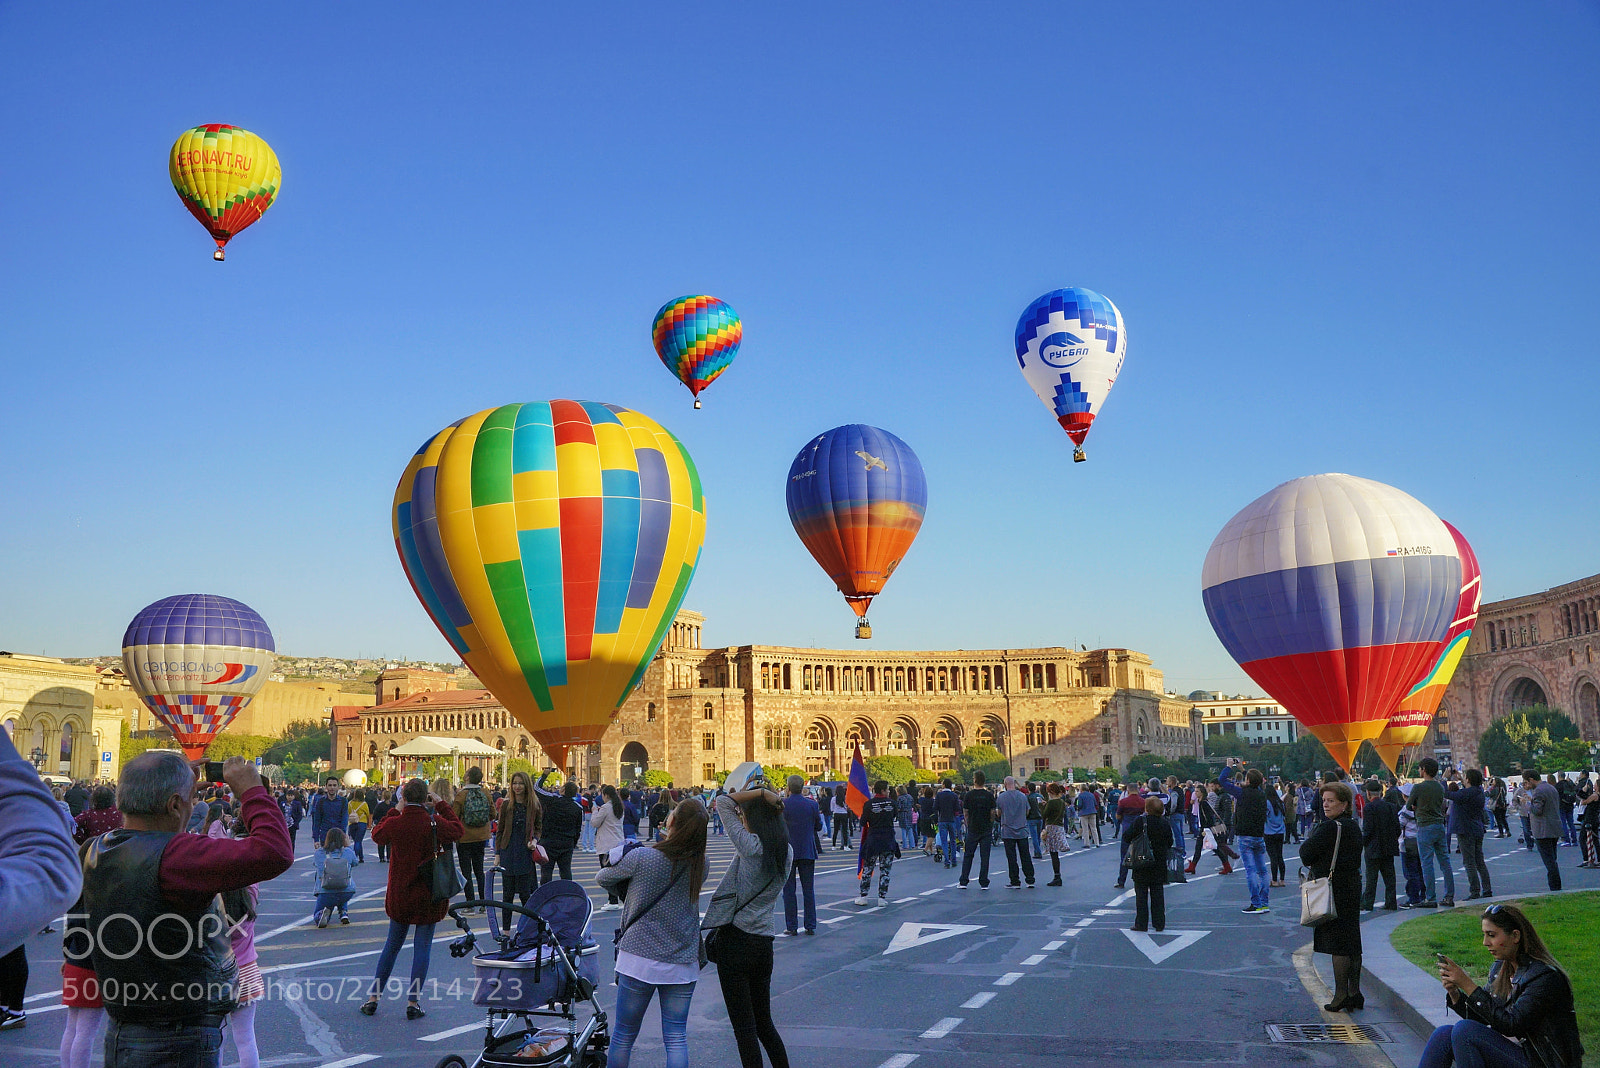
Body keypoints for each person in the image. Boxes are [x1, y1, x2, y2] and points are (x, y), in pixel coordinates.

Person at [79, 752, 292, 1065]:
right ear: (174, 805)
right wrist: (252, 791)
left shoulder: (95, 848)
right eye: (191, 799)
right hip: (179, 1031)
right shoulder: (176, 856)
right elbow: (275, 852)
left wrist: (168, 780)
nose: (194, 805)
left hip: (124, 1023)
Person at [596, 797, 710, 1068]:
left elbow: (603, 878)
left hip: (639, 958)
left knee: (623, 1035)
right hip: (681, 960)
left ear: (673, 823)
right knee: (675, 1037)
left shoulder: (643, 856)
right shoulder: (700, 864)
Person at [1421, 903, 1583, 1068]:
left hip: (1543, 1062)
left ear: (1515, 936)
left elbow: (1511, 1025)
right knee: (1444, 1035)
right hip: (1517, 1053)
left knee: (1465, 1032)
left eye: (1491, 935)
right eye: (1484, 935)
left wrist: (1468, 984)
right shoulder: (1501, 968)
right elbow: (1485, 1018)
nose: (1485, 942)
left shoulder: (1544, 977)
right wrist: (1455, 993)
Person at [361, 777, 465, 1020]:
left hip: (401, 893)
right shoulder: (433, 822)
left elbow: (376, 834)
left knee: (392, 946)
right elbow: (458, 830)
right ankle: (413, 1001)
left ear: (404, 797)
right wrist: (441, 805)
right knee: (422, 947)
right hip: (429, 893)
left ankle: (373, 997)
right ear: (425, 799)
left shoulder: (396, 823)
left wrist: (393, 810)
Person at [708, 783, 792, 1068]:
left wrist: (758, 795)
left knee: (744, 1029)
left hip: (736, 942)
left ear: (753, 816)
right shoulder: (786, 851)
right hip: (764, 943)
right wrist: (763, 799)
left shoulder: (751, 847)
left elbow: (722, 801)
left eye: (745, 815)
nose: (741, 818)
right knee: (764, 1023)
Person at [1300, 781, 1365, 1011]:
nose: (1326, 805)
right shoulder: (1353, 826)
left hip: (1332, 889)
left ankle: (1340, 995)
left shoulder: (1329, 828)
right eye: (1324, 801)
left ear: (1344, 804)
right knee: (1352, 941)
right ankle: (1355, 992)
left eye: (1331, 801)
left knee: (1338, 944)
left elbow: (1305, 854)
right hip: (1352, 886)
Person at [1219, 763, 1271, 913]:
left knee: (1250, 870)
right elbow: (1257, 780)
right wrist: (1244, 771)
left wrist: (1229, 766)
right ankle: (1264, 902)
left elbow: (1222, 780)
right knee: (1262, 871)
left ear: (1247, 781)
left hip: (1245, 834)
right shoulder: (1262, 793)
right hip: (1258, 834)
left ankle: (1255, 903)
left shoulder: (1241, 793)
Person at [495, 771, 541, 926]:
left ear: (526, 785)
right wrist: (497, 854)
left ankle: (528, 928)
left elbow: (538, 828)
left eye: (520, 783)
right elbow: (500, 830)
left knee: (525, 894)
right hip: (508, 852)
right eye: (514, 783)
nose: (517, 786)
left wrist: (534, 840)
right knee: (507, 896)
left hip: (525, 853)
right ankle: (506, 932)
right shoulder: (506, 805)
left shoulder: (534, 805)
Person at [1410, 758, 1455, 908]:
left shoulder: (1418, 788)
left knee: (1427, 863)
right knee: (1445, 861)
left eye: (1419, 768)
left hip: (1424, 825)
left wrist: (1417, 807)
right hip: (1439, 824)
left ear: (1423, 769)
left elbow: (1409, 805)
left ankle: (1431, 898)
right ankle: (1449, 896)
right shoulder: (1439, 787)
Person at [781, 775, 821, 935]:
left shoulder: (783, 805)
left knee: (789, 891)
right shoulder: (812, 804)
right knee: (808, 890)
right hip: (807, 850)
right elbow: (818, 826)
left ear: (788, 788)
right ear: (803, 786)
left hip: (789, 851)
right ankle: (810, 925)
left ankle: (792, 926)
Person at [1126, 796, 1172, 932]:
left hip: (1141, 861)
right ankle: (1159, 923)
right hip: (1159, 863)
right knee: (1158, 894)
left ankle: (1141, 923)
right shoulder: (1164, 823)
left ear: (1147, 808)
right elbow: (1170, 842)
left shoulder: (1140, 821)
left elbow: (1127, 837)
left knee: (1141, 894)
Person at [1446, 769, 1493, 900]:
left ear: (1469, 780)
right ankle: (1487, 889)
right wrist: (1461, 778)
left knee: (1469, 862)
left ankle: (1475, 891)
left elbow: (1447, 794)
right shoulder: (1478, 791)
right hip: (1477, 828)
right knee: (1479, 861)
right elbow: (1465, 792)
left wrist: (1444, 779)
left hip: (1465, 829)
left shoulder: (1465, 793)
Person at [453, 767, 494, 913]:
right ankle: (483, 904)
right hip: (481, 837)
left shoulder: (461, 795)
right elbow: (493, 813)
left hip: (464, 838)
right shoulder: (486, 793)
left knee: (466, 871)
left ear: (468, 777)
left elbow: (454, 817)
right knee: (479, 870)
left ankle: (470, 904)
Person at [856, 780, 901, 906]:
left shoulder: (869, 804)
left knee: (868, 869)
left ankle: (863, 896)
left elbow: (863, 822)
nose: (888, 791)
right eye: (887, 789)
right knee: (885, 870)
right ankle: (882, 897)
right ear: (882, 790)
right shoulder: (892, 804)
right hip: (888, 839)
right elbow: (894, 816)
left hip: (873, 840)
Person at [534, 772, 582, 884]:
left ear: (563, 790)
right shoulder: (577, 808)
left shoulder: (553, 800)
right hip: (567, 842)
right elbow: (578, 829)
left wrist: (544, 776)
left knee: (546, 872)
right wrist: (573, 843)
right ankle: (567, 894)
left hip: (549, 841)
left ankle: (545, 896)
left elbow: (536, 788)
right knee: (565, 871)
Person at [1360, 780, 1401, 911]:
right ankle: (1391, 902)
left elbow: (1368, 829)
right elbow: (1397, 828)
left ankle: (1368, 902)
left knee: (1371, 878)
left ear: (1368, 793)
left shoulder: (1368, 808)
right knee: (1389, 877)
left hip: (1373, 847)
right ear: (1381, 792)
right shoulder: (1391, 807)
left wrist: (1364, 842)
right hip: (1388, 847)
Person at [1524, 770, 1563, 891]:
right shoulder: (1551, 788)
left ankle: (1555, 887)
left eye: (1526, 782)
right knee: (1552, 859)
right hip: (1554, 827)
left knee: (1549, 862)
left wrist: (1527, 805)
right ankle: (1556, 886)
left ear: (1531, 779)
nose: (1526, 785)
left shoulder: (1539, 791)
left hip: (1543, 830)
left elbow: (1537, 810)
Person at [997, 776, 1037, 890]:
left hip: (1008, 830)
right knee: (1025, 855)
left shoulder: (1001, 797)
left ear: (1005, 785)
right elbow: (1027, 811)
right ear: (1015, 783)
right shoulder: (1023, 796)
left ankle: (1015, 881)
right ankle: (1030, 879)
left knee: (1011, 857)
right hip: (1022, 829)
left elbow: (999, 813)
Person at [309, 778, 348, 891]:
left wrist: (343, 835)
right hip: (325, 835)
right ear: (326, 787)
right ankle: (319, 889)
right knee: (323, 862)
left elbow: (344, 819)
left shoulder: (343, 801)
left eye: (334, 785)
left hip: (338, 835)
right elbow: (317, 821)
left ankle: (339, 885)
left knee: (338, 861)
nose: (332, 788)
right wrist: (315, 838)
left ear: (338, 787)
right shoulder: (321, 801)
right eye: (330, 785)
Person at [959, 773, 996, 889]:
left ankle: (964, 881)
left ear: (975, 780)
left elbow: (965, 812)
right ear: (984, 781)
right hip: (986, 828)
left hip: (973, 828)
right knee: (985, 857)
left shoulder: (969, 795)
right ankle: (984, 881)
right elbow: (992, 812)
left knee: (968, 855)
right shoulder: (989, 795)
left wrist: (968, 823)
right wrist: (990, 823)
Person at [592, 785, 627, 910]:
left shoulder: (606, 808)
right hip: (618, 843)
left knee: (607, 874)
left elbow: (595, 823)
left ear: (606, 795)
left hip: (606, 845)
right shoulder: (619, 807)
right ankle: (621, 899)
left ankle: (612, 901)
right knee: (618, 873)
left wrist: (595, 811)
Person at [316, 828, 357, 927]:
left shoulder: (320, 853)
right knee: (341, 883)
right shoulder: (348, 851)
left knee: (320, 911)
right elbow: (355, 862)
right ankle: (343, 912)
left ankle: (323, 914)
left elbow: (317, 866)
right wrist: (349, 846)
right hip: (347, 891)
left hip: (326, 891)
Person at [1114, 782, 1148, 889]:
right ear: (1137, 790)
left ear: (1128, 790)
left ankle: (1121, 881)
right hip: (1139, 830)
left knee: (1124, 856)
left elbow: (1118, 816)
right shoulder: (1143, 801)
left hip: (1127, 829)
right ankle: (1142, 880)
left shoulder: (1123, 802)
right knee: (1141, 855)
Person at [1041, 782, 1070, 886]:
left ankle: (1057, 876)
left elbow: (1044, 815)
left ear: (1051, 792)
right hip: (1059, 826)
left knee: (1053, 853)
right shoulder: (1062, 802)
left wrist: (1043, 806)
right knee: (1055, 853)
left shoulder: (1051, 802)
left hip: (1051, 827)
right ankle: (1057, 876)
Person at [934, 779, 960, 867]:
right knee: (953, 841)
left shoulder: (939, 795)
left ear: (944, 785)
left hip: (942, 819)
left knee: (944, 841)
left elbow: (935, 807)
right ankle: (954, 860)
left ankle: (947, 861)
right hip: (951, 819)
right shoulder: (954, 795)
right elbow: (957, 808)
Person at [348, 790, 371, 864]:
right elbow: (367, 813)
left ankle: (361, 857)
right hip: (362, 822)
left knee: (356, 841)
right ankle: (356, 857)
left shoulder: (350, 803)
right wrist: (368, 823)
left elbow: (348, 812)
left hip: (352, 823)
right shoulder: (364, 804)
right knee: (358, 841)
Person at [1075, 782, 1101, 847]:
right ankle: (1097, 842)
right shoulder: (1091, 795)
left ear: (1081, 789)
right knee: (1093, 828)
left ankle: (1087, 843)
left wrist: (1078, 808)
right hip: (1092, 812)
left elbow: (1080, 805)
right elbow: (1095, 803)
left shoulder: (1080, 795)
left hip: (1084, 812)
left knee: (1085, 828)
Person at [371, 791, 393, 862]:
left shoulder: (380, 805)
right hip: (390, 824)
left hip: (381, 824)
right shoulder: (393, 805)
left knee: (381, 841)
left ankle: (381, 857)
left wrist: (376, 821)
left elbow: (375, 815)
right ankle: (389, 857)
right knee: (389, 842)